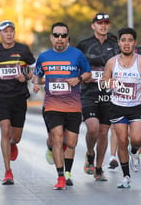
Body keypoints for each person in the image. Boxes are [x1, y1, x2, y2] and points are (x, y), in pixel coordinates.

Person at [32, 22, 91, 190]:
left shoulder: (77, 55)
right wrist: (36, 84)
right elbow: (37, 76)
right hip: (52, 105)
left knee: (70, 142)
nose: (60, 38)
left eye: (63, 36)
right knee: (57, 137)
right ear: (51, 37)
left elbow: (88, 74)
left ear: (68, 38)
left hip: (73, 106)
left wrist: (79, 79)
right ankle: (60, 177)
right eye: (56, 35)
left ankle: (68, 171)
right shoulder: (44, 57)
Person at [101, 27, 141, 189]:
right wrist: (109, 83)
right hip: (117, 106)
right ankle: (126, 177)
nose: (127, 43)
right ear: (119, 43)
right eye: (123, 40)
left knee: (136, 139)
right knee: (122, 141)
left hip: (136, 106)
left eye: (130, 40)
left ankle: (135, 152)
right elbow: (103, 82)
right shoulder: (112, 62)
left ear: (134, 43)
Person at [0, 20, 36, 185]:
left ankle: (13, 144)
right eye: (5, 31)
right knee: (5, 129)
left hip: (18, 97)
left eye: (11, 31)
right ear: (0, 33)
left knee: (15, 137)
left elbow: (34, 68)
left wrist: (27, 75)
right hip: (0, 97)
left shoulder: (23, 49)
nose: (9, 34)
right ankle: (8, 171)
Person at [76, 12, 120, 181]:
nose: (103, 26)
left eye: (106, 23)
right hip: (88, 93)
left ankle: (99, 168)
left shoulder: (115, 45)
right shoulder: (83, 45)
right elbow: (76, 65)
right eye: (99, 23)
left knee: (103, 132)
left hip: (108, 95)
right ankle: (89, 153)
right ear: (92, 25)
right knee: (92, 128)